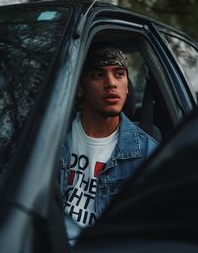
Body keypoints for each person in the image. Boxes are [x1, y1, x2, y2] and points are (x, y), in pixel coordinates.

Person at [60, 44, 158, 243]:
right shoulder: (53, 136)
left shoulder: (148, 154)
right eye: (98, 75)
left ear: (128, 86)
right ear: (80, 87)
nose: (111, 83)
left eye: (119, 74)